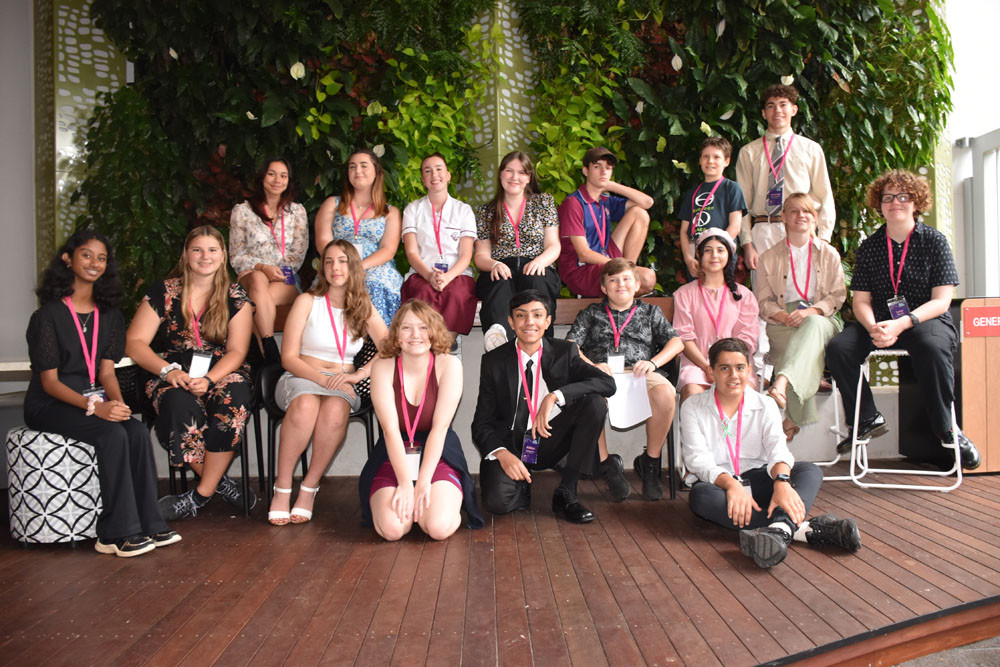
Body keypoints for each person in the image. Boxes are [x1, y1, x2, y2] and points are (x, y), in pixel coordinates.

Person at [24, 230, 179, 557]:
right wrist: (95, 408)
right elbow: (50, 383)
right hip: (51, 402)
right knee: (112, 436)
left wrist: (118, 405)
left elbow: (107, 372)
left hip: (93, 398)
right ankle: (114, 533)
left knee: (134, 430)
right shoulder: (47, 316)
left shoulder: (109, 317)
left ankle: (150, 523)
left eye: (102, 258)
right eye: (86, 255)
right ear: (68, 259)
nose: (94, 263)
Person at [825, 170, 980, 467]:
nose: (894, 202)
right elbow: (860, 301)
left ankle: (948, 429)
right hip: (879, 321)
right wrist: (873, 327)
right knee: (839, 348)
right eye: (887, 198)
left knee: (933, 347)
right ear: (879, 205)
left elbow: (942, 300)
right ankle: (866, 417)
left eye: (902, 196)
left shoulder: (935, 241)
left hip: (925, 319)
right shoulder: (870, 246)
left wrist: (902, 322)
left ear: (915, 202)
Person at [682, 338, 861, 568]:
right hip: (720, 485)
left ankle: (778, 531)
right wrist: (732, 485)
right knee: (701, 498)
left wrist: (782, 482)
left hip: (759, 479)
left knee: (809, 471)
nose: (733, 375)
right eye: (724, 368)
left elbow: (778, 448)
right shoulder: (693, 406)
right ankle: (800, 529)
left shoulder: (765, 404)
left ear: (749, 370)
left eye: (739, 368)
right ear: (711, 372)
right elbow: (698, 460)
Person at [126, 225, 256, 520]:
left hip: (222, 371)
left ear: (223, 256)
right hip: (173, 371)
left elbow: (237, 351)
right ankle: (219, 483)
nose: (204, 256)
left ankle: (199, 495)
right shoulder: (165, 291)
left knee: (234, 395)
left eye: (212, 250)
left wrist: (209, 379)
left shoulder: (235, 295)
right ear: (186, 255)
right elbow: (134, 343)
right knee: (176, 404)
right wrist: (168, 371)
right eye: (197, 249)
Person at [268, 240, 389, 525]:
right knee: (305, 406)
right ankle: (282, 488)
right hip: (301, 377)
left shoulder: (363, 306)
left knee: (335, 412)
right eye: (330, 261)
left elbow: (389, 346)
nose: (336, 267)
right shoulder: (307, 301)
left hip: (342, 382)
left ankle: (309, 488)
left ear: (354, 267)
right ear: (323, 267)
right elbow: (288, 357)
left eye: (343, 261)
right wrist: (323, 380)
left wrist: (360, 374)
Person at [472, 290, 616, 523]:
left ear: (548, 321)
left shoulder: (565, 352)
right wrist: (501, 453)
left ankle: (567, 491)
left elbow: (607, 383)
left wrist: (555, 397)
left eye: (537, 315)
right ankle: (521, 484)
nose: (529, 322)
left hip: (551, 438)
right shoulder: (494, 361)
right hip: (512, 444)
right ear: (511, 322)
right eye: (521, 315)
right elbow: (481, 423)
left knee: (595, 403)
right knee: (498, 503)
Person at [360, 300, 483, 540]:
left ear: (434, 331)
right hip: (392, 453)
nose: (415, 335)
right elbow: (390, 431)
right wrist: (406, 483)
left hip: (439, 453)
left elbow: (440, 429)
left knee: (437, 528)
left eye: (423, 327)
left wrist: (423, 482)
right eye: (406, 328)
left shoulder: (449, 365)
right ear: (396, 334)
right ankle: (411, 510)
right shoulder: (383, 368)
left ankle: (429, 507)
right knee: (392, 530)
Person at [566, 258, 684, 501]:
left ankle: (650, 464)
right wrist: (592, 366)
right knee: (590, 400)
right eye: (613, 280)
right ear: (603, 288)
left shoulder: (651, 311)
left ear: (637, 284)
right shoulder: (591, 313)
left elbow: (676, 342)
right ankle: (606, 465)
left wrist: (654, 363)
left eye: (626, 279)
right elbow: (570, 346)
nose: (620, 284)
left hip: (640, 373)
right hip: (601, 373)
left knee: (665, 394)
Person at [755, 193, 846, 440]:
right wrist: (784, 316)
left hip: (822, 318)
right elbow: (763, 301)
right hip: (782, 320)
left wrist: (812, 311)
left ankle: (781, 383)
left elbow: (838, 296)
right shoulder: (768, 257)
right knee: (800, 347)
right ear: (783, 216)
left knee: (812, 327)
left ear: (815, 218)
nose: (800, 216)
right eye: (794, 211)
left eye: (807, 211)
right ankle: (791, 423)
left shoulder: (830, 254)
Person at [736, 84, 836, 268]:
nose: (777, 111)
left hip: (802, 229)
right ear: (764, 113)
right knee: (765, 295)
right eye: (771, 106)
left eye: (783, 104)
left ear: (794, 110)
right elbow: (741, 203)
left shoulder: (811, 149)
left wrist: (824, 239)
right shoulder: (748, 152)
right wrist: (747, 243)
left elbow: (825, 195)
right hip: (763, 230)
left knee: (802, 292)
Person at [473, 151, 562, 350]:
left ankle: (542, 339)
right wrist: (494, 264)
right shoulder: (486, 212)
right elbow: (481, 255)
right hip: (501, 265)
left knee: (536, 279)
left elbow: (553, 245)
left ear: (529, 177)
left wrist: (540, 261)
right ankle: (498, 337)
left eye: (521, 172)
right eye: (509, 171)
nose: (515, 177)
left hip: (536, 263)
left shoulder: (543, 203)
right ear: (500, 174)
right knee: (499, 280)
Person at [229, 157, 309, 363]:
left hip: (286, 277)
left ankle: (264, 355)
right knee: (257, 279)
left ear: (289, 180)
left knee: (250, 304)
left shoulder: (297, 212)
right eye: (272, 174)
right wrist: (263, 268)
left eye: (283, 175)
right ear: (262, 177)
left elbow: (298, 253)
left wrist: (277, 272)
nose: (277, 180)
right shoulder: (242, 211)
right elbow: (236, 255)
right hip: (250, 274)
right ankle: (269, 343)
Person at [315, 148, 404, 326]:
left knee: (373, 285)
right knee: (334, 284)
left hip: (374, 267)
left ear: (376, 172)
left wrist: (358, 267)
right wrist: (343, 265)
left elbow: (388, 250)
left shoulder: (390, 212)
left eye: (364, 166)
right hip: (338, 264)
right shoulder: (332, 204)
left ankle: (375, 347)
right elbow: (323, 242)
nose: (357, 171)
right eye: (352, 167)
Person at [556, 146, 656, 296]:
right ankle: (626, 277)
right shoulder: (574, 203)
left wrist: (611, 185)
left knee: (639, 214)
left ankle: (626, 275)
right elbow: (584, 254)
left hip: (605, 260)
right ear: (585, 171)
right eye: (597, 167)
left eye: (608, 168)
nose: (603, 172)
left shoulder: (604, 200)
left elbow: (647, 202)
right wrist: (618, 265)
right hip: (582, 270)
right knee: (647, 279)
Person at [672, 229, 759, 403]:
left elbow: (747, 339)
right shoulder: (684, 294)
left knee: (743, 395)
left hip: (736, 365)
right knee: (693, 393)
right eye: (708, 250)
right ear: (699, 254)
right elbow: (684, 337)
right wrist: (707, 366)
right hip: (697, 364)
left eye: (720, 250)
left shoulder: (744, 295)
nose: (714, 255)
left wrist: (725, 366)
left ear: (729, 255)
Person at [400, 153, 478, 341]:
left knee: (458, 294)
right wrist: (429, 275)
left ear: (448, 175)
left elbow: (466, 254)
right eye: (428, 171)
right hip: (422, 273)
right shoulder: (413, 209)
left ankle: (444, 347)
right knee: (421, 293)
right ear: (423, 180)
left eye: (439, 169)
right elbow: (411, 251)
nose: (434, 175)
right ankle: (425, 346)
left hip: (456, 274)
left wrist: (448, 277)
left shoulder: (463, 210)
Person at [678, 137, 747, 278]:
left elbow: (735, 226)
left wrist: (714, 252)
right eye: (706, 157)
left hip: (720, 258)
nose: (710, 161)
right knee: (696, 297)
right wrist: (689, 259)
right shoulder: (692, 193)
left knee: (718, 297)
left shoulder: (731, 188)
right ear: (700, 160)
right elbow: (684, 231)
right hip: (696, 258)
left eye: (716, 157)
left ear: (726, 161)